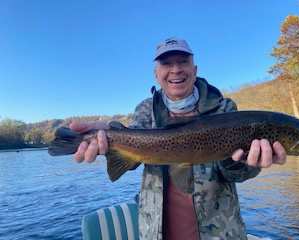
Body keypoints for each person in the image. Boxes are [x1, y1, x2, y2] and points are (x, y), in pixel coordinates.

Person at [70, 37, 287, 240]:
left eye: (183, 61)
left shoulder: (224, 109)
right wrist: (108, 136)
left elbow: (236, 174)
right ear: (156, 74)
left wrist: (245, 162)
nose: (176, 69)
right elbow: (132, 158)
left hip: (219, 231)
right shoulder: (145, 109)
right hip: (156, 231)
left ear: (195, 70)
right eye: (166, 63)